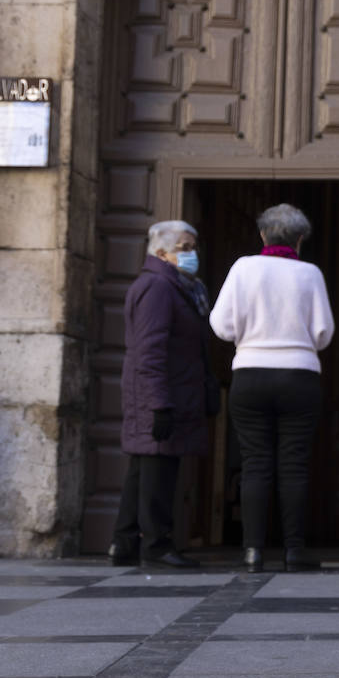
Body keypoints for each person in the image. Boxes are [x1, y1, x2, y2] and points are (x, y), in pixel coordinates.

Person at [210, 203, 334, 573]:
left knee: (255, 464)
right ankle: (294, 551)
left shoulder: (243, 268)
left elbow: (221, 325)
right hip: (299, 377)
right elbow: (323, 333)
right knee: (293, 465)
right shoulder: (309, 273)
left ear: (263, 235)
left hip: (250, 375)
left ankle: (253, 552)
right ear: (299, 239)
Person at [111, 220, 215, 568]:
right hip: (158, 391)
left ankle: (124, 542)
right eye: (184, 248)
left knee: (143, 466)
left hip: (169, 389)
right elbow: (149, 350)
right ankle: (156, 545)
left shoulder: (177, 287)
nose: (191, 254)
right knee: (158, 468)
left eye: (193, 247)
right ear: (161, 252)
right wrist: (159, 403)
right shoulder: (158, 287)